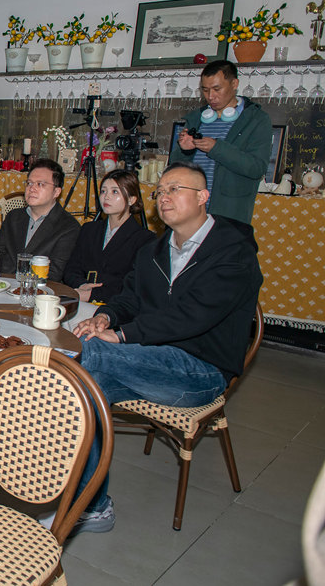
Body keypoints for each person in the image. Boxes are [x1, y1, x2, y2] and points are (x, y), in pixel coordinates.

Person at [69, 161, 262, 534]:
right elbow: (131, 297)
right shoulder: (155, 250)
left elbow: (193, 317)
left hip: (201, 369)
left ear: (203, 197)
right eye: (160, 191)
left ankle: (2, 427)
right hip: (150, 361)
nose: (165, 197)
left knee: (85, 351)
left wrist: (122, 335)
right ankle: (93, 506)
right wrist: (106, 318)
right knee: (83, 389)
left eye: (176, 189)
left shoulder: (232, 251)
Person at [170, 59, 273, 224]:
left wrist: (217, 148)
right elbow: (174, 168)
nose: (211, 96)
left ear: (234, 84)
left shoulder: (256, 119)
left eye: (217, 89)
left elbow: (256, 168)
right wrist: (186, 151)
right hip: (189, 212)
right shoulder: (196, 118)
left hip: (227, 214)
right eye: (205, 90)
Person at [62, 169, 155, 303]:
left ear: (131, 199)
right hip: (81, 296)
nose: (106, 197)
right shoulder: (89, 229)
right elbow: (71, 268)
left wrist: (93, 294)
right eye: (103, 191)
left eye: (114, 192)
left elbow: (134, 285)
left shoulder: (145, 239)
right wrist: (82, 285)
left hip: (116, 305)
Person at [0, 158, 80, 283]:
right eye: (29, 183)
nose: (32, 188)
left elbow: (54, 273)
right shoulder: (14, 217)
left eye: (40, 184)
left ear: (56, 192)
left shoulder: (68, 226)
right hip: (5, 284)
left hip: (41, 290)